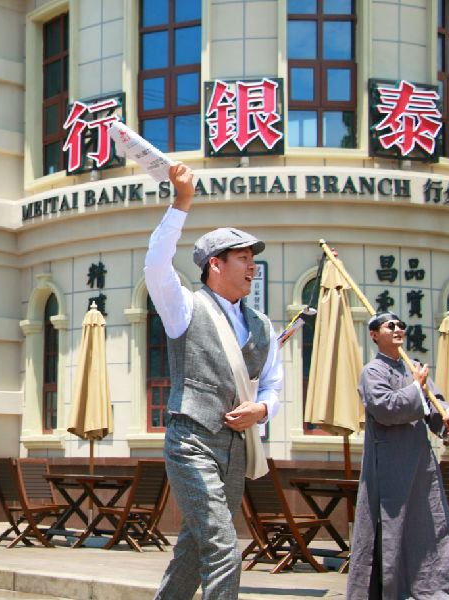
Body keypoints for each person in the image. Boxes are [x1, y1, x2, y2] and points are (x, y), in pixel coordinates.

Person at [144, 163, 283, 600]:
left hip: (236, 452)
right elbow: (156, 264)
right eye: (243, 258)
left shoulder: (262, 325)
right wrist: (182, 200)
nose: (252, 267)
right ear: (215, 265)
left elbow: (272, 386)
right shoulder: (184, 307)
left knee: (193, 549)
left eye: (253, 259)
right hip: (191, 442)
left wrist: (262, 409)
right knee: (224, 548)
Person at [347, 311, 449, 600]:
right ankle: (391, 590)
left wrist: (448, 415)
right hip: (389, 463)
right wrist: (416, 388)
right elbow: (386, 408)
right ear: (374, 335)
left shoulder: (413, 368)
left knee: (429, 524)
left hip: (420, 462)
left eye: (401, 325)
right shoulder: (372, 372)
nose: (398, 329)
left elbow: (435, 404)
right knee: (391, 528)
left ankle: (431, 588)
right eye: (390, 325)